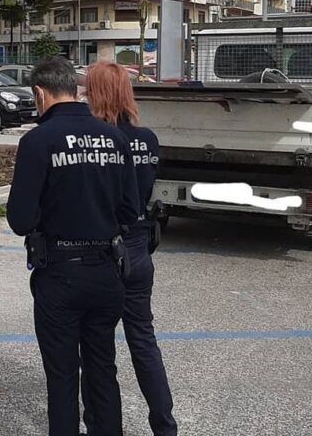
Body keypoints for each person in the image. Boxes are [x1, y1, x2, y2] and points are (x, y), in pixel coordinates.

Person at [7, 56, 140, 436]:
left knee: (63, 376)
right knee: (102, 369)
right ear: (74, 88)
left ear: (40, 94)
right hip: (106, 270)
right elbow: (131, 210)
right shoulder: (114, 136)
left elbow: (20, 220)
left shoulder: (37, 141)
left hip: (60, 271)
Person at [82, 62, 177, 436]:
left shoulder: (97, 144)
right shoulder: (148, 139)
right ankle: (165, 426)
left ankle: (102, 426)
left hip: (104, 250)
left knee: (96, 349)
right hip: (139, 247)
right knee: (143, 341)